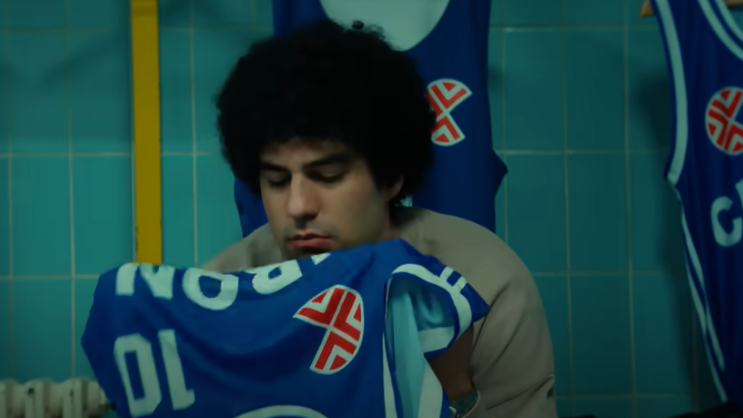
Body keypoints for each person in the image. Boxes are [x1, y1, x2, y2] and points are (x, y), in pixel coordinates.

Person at [204, 20, 557, 418]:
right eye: (277, 180)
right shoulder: (224, 291)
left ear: (390, 178)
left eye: (328, 176)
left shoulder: (486, 282)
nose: (298, 205)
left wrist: (454, 391)